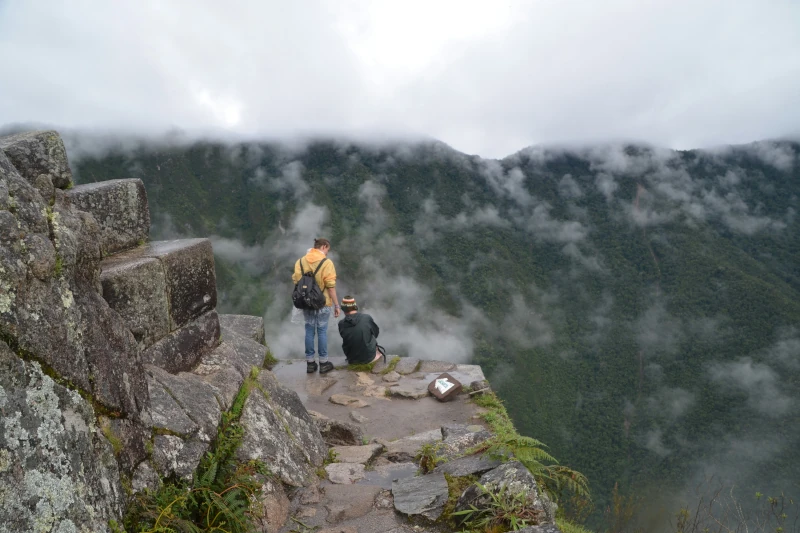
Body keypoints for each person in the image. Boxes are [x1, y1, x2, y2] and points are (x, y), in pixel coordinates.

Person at [292, 238, 340, 373]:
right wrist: (337, 305)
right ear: (324, 247)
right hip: (322, 302)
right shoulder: (327, 263)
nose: (327, 253)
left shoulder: (300, 261)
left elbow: (296, 280)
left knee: (309, 330)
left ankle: (310, 363)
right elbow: (331, 287)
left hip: (306, 302)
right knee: (322, 331)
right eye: (327, 250)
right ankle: (324, 363)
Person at [337, 295, 383, 365]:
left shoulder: (341, 324)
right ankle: (373, 356)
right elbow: (376, 333)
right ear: (355, 307)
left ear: (343, 309)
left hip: (351, 359)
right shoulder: (366, 318)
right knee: (371, 334)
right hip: (369, 358)